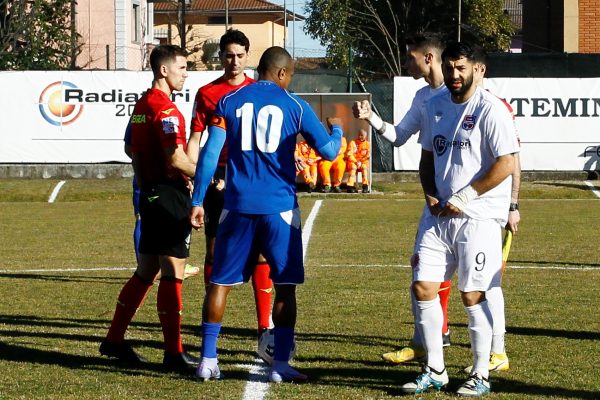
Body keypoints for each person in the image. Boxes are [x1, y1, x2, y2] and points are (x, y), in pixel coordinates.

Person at [189, 46, 342, 383]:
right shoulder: (296, 105)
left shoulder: (228, 102)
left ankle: (208, 360)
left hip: (237, 206)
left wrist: (198, 200)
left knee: (220, 283)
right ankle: (280, 365)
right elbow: (329, 153)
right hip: (280, 210)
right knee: (285, 287)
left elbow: (210, 153)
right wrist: (337, 130)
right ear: (283, 73)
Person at [399, 41, 519, 396]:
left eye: (461, 68)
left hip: (479, 217)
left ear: (477, 70)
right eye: (450, 67)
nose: (454, 74)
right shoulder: (433, 105)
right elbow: (425, 159)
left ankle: (481, 372)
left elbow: (506, 163)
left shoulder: (491, 109)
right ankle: (435, 368)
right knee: (423, 287)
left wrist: (466, 197)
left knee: (472, 294)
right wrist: (430, 193)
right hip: (436, 216)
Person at [353, 33, 453, 363]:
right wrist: (372, 118)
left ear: (429, 58)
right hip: (435, 200)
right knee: (422, 266)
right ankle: (426, 338)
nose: (406, 63)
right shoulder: (423, 96)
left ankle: (493, 352)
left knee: (477, 283)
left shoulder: (462, 94)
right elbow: (398, 136)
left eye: (410, 57)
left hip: (466, 201)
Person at [100, 44, 199, 371]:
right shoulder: (166, 109)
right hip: (169, 195)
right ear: (163, 70)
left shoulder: (142, 105)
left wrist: (145, 180)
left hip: (150, 193)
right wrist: (209, 177)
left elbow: (131, 147)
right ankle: (173, 353)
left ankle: (114, 340)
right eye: (183, 67)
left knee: (146, 271)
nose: (186, 73)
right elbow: (176, 157)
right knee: (173, 272)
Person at [187, 29, 273, 338]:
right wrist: (198, 174)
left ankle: (265, 324)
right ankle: (210, 319)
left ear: (247, 56)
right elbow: (196, 139)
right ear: (220, 57)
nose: (234, 61)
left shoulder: (259, 90)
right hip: (218, 178)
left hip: (251, 178)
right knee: (214, 252)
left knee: (262, 252)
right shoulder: (208, 93)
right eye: (228, 55)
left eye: (239, 55)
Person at [462, 46, 521, 374]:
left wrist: (513, 204)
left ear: (480, 69)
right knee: (477, 283)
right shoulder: (456, 105)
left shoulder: (497, 108)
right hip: (464, 210)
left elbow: (514, 159)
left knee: (486, 283)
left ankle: (497, 349)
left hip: (489, 208)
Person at [125, 121, 200, 279]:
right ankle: (156, 266)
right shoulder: (162, 112)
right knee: (156, 220)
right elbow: (175, 156)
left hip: (147, 175)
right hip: (163, 180)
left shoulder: (141, 111)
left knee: (146, 220)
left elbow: (129, 148)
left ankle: (149, 266)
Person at [345, 129, 370, 193]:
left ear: (365, 136)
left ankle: (365, 186)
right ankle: (350, 186)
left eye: (362, 135)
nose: (360, 137)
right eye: (359, 135)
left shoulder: (367, 144)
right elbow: (349, 154)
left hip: (362, 162)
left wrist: (361, 162)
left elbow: (368, 156)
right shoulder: (353, 143)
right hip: (353, 162)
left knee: (364, 167)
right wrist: (356, 162)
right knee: (353, 167)